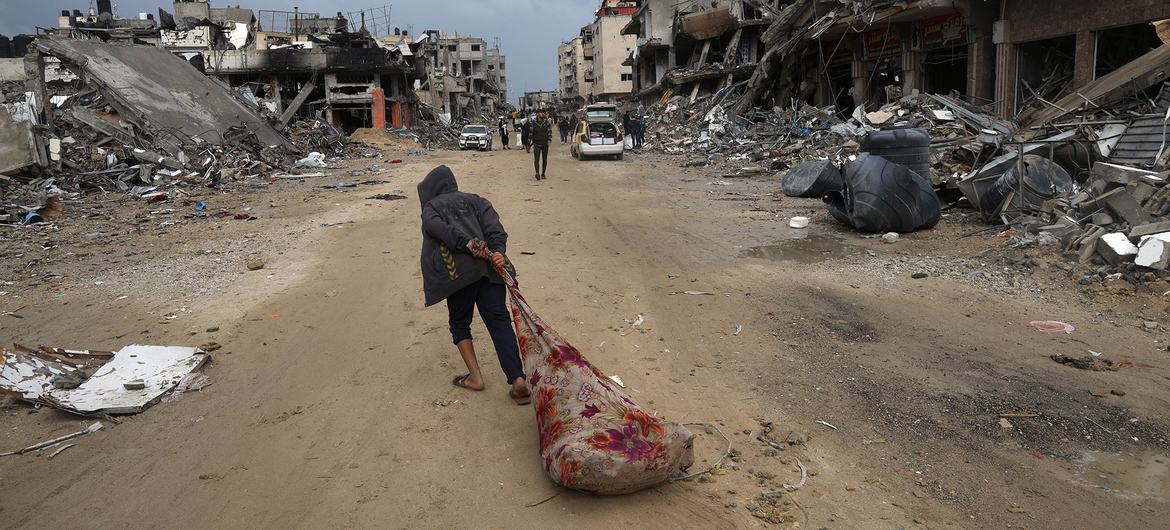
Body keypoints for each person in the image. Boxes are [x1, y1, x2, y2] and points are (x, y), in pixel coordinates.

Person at [418, 165, 530, 405]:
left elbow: (437, 228)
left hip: (459, 276)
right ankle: (517, 379)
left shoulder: (432, 207)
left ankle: (476, 378)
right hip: (490, 270)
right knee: (499, 321)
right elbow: (495, 230)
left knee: (460, 323)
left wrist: (465, 243)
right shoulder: (478, 201)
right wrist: (498, 251)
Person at [530, 111, 553, 180]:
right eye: (540, 117)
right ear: (537, 117)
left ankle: (543, 173)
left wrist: (549, 140)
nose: (540, 119)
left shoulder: (546, 123)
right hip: (536, 143)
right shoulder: (533, 123)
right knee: (536, 159)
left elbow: (549, 132)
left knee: (544, 159)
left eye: (542, 118)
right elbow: (530, 133)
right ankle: (537, 173)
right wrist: (529, 143)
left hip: (545, 144)